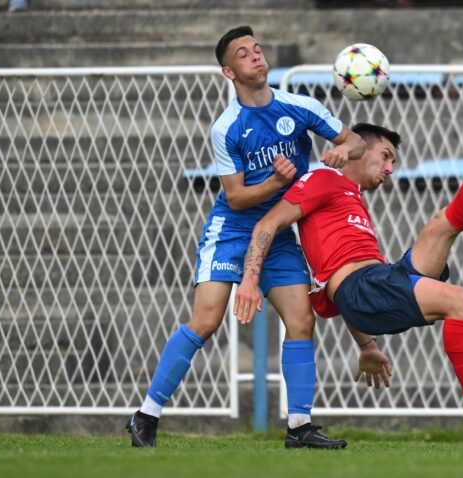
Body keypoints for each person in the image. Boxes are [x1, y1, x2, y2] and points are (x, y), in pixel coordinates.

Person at [125, 25, 366, 449]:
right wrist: (277, 181)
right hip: (231, 233)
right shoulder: (227, 127)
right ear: (228, 72)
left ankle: (299, 426)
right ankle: (146, 415)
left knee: (301, 320)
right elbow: (235, 198)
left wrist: (346, 149)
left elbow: (358, 141)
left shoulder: (301, 105)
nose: (255, 56)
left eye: (257, 49)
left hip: (276, 234)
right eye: (243, 53)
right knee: (206, 321)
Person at [234, 85, 463, 452]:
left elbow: (347, 280)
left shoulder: (352, 197)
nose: (391, 169)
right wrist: (250, 281)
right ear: (359, 150)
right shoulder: (323, 180)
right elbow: (267, 226)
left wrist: (366, 345)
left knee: (443, 225)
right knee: (460, 300)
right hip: (365, 286)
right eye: (386, 156)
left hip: (376, 281)